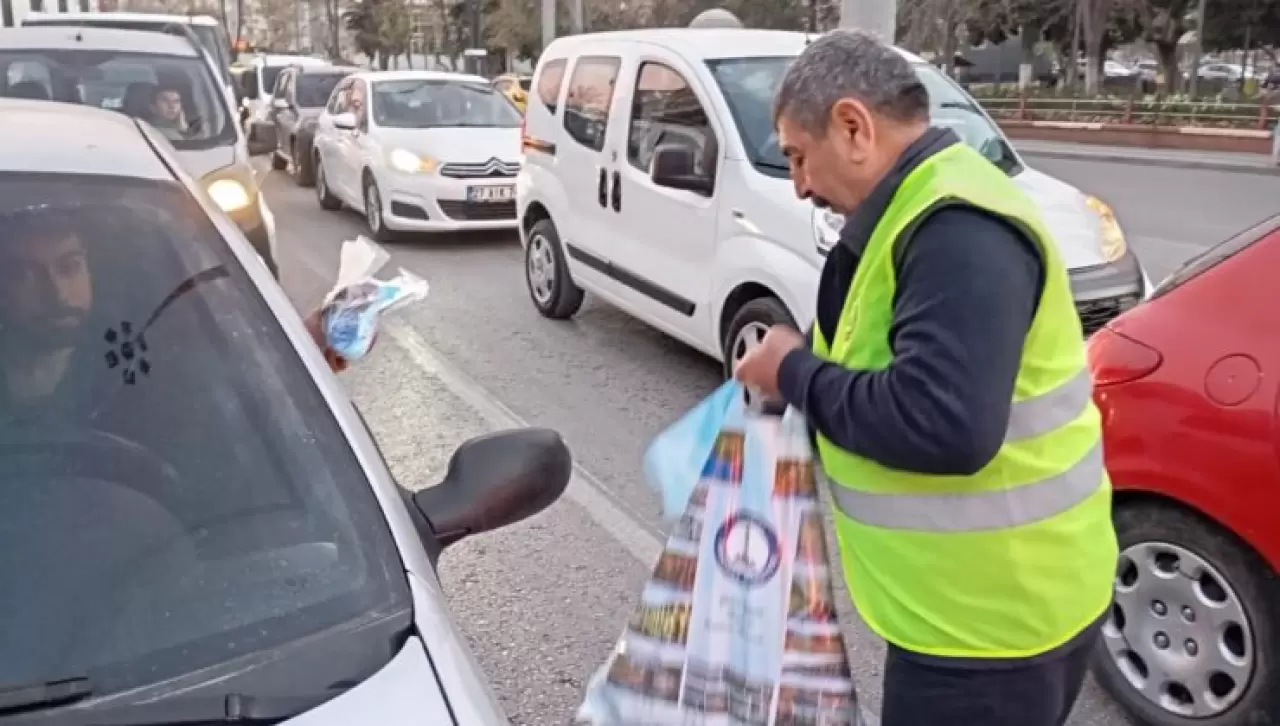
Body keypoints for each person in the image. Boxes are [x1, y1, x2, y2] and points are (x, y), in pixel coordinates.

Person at [733, 30, 1117, 726]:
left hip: (990, 632)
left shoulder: (955, 229)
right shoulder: (915, 211)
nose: (799, 184)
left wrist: (793, 371)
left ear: (853, 126)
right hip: (981, 612)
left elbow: (943, 424)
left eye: (797, 155)